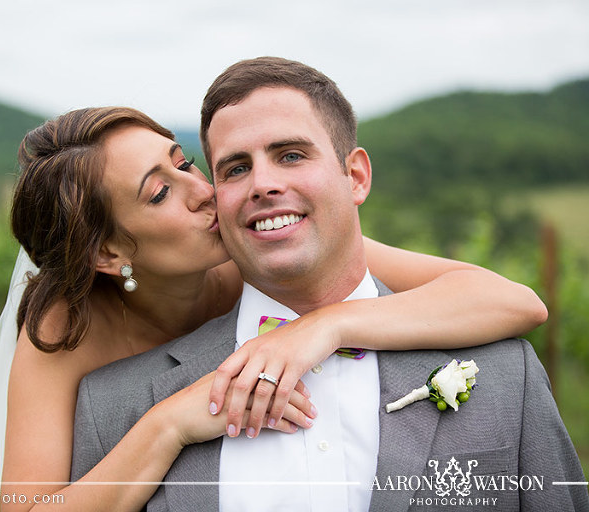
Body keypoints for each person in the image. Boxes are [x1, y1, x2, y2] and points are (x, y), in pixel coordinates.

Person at [0, 104, 547, 510]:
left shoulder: (249, 252)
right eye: (160, 192)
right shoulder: (65, 330)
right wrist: (167, 425)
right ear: (108, 251)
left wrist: (323, 326)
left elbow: (512, 301)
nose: (207, 193)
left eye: (184, 162)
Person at [69, 57, 588, 511]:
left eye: (292, 155)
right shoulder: (117, 407)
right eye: (234, 168)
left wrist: (328, 327)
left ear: (356, 177)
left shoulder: (506, 372)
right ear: (218, 199)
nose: (265, 184)